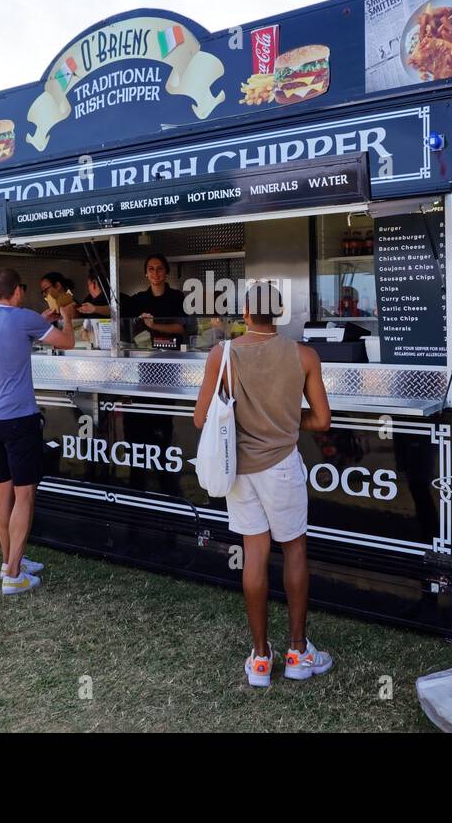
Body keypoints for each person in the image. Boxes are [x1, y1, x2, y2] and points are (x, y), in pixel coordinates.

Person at [193, 281, 334, 687]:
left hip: (239, 468)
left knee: (254, 553)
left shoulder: (223, 355)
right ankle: (297, 651)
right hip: (283, 467)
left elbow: (201, 420)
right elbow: (322, 421)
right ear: (281, 313)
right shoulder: (304, 355)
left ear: (245, 313)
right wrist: (289, 422)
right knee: (294, 550)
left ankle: (259, 659)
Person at [0, 268, 75, 595]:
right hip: (20, 418)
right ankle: (14, 574)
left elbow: (16, 334)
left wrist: (39, 321)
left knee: (4, 489)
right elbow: (67, 342)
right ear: (16, 291)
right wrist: (67, 316)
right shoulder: (24, 318)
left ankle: (9, 560)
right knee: (25, 494)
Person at [124, 253, 193, 350]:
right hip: (147, 355)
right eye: (151, 269)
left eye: (160, 268)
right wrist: (138, 320)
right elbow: (128, 324)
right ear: (146, 273)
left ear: (166, 272)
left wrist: (153, 325)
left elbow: (180, 328)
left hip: (174, 355)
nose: (155, 273)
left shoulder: (177, 296)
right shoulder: (139, 299)